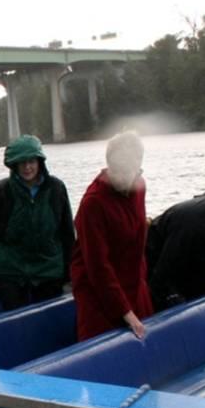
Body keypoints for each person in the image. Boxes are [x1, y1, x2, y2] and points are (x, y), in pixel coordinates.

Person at [70, 132, 153, 341]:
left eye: (127, 171)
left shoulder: (139, 187)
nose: (120, 177)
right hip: (97, 290)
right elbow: (98, 266)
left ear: (139, 167)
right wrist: (125, 311)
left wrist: (141, 284)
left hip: (132, 278)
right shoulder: (93, 203)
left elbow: (138, 241)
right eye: (115, 169)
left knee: (145, 336)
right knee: (104, 341)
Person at [0, 135, 75, 311]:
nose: (27, 167)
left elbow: (66, 231)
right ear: (14, 165)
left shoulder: (56, 188)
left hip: (49, 270)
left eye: (31, 161)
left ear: (40, 162)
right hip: (11, 271)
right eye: (21, 162)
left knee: (49, 322)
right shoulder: (2, 191)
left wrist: (69, 270)